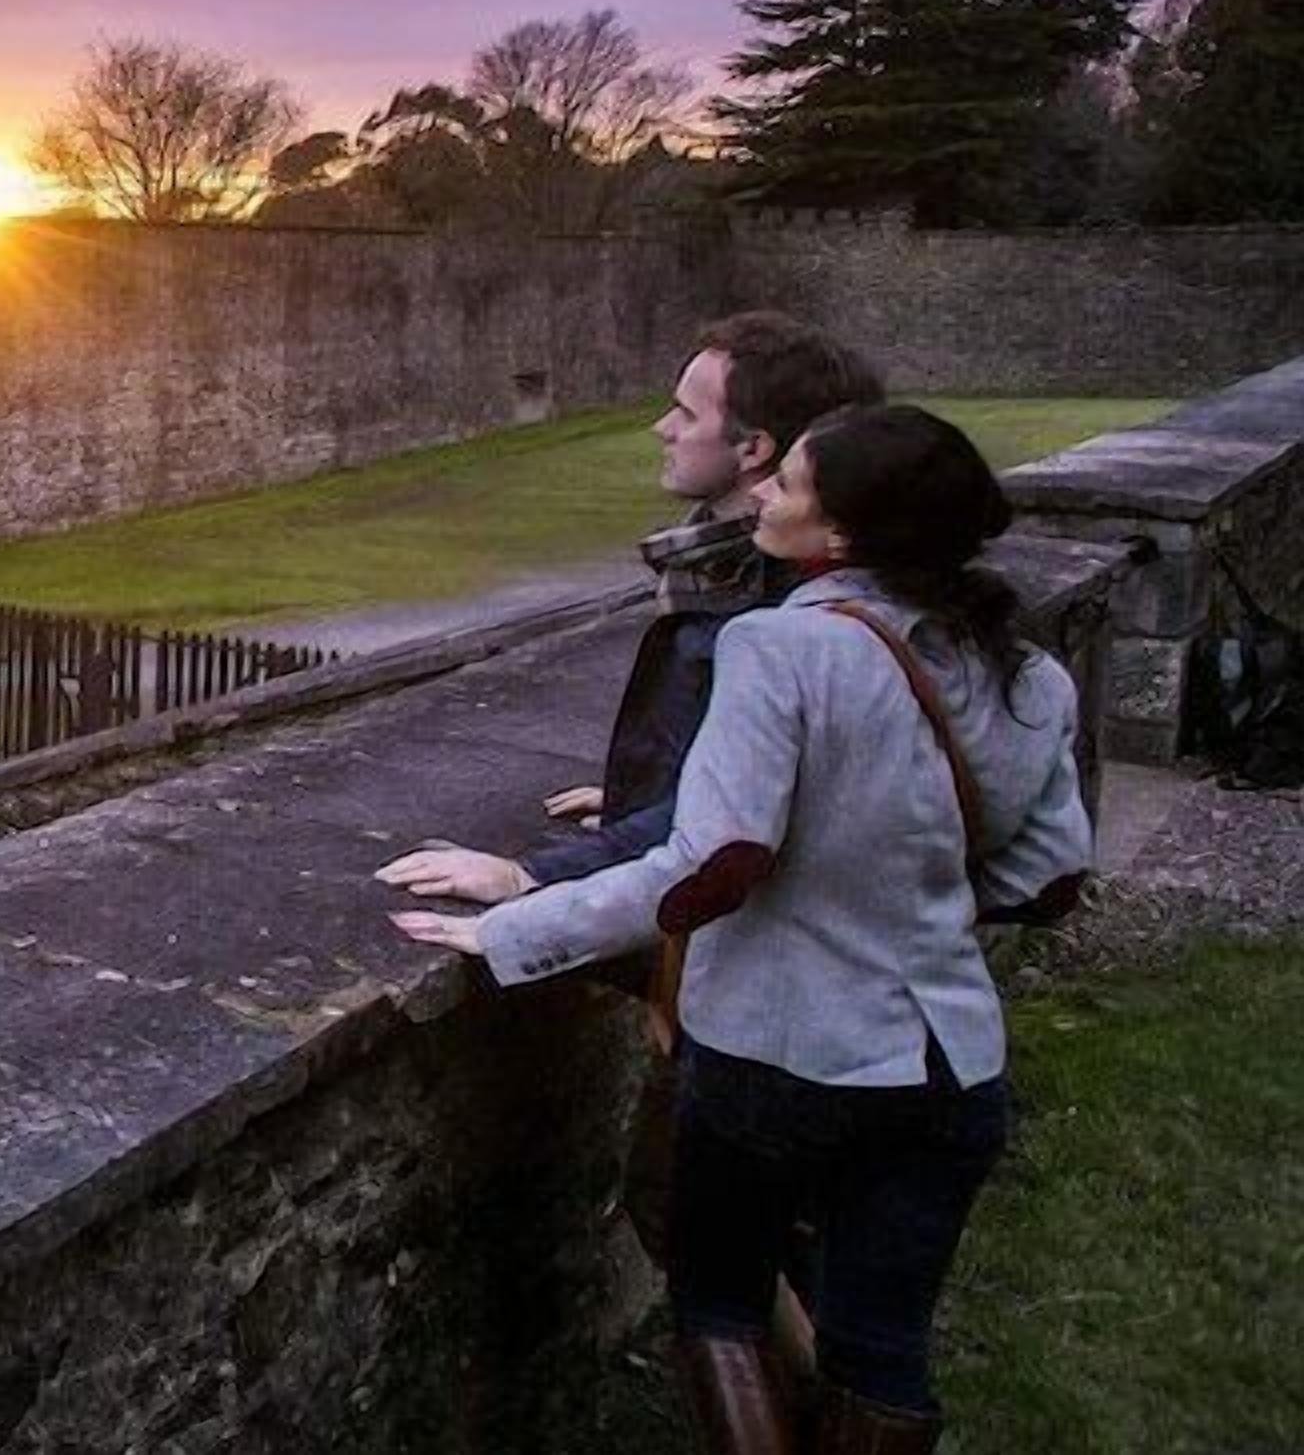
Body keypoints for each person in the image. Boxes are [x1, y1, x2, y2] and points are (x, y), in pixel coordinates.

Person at [392, 404, 1095, 1453]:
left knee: (718, 1302)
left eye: (790, 484)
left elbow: (710, 865)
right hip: (950, 1064)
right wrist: (889, 895)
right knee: (881, 1345)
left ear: (842, 535)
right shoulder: (1028, 672)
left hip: (779, 1054)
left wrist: (515, 931)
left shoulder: (781, 646)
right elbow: (1048, 878)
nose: (762, 493)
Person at [378, 313, 885, 914]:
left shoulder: (775, 613)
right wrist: (641, 794)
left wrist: (529, 875)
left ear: (754, 448)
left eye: (688, 414)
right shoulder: (733, 569)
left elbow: (730, 818)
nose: (662, 427)